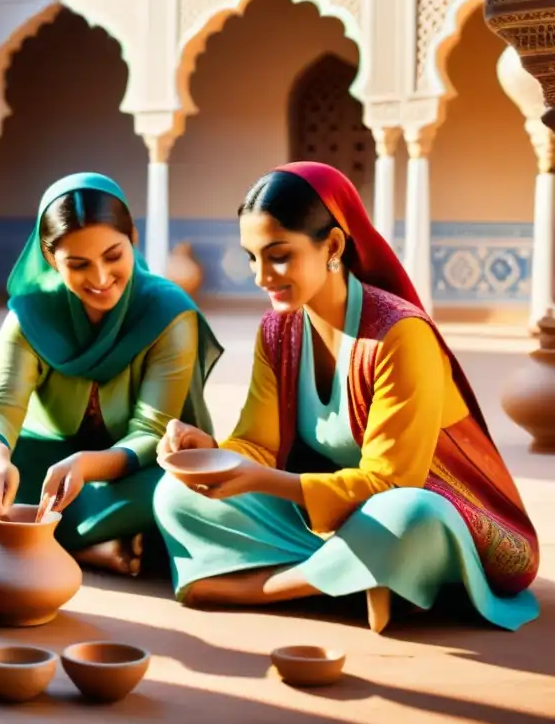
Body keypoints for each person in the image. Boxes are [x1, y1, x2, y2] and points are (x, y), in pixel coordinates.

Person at [152, 161, 540, 633]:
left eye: (278, 255)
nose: (261, 276)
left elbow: (392, 484)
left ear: (333, 245)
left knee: (408, 516)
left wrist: (262, 480)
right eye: (252, 257)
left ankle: (270, 587)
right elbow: (257, 446)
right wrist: (211, 452)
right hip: (331, 515)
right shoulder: (277, 330)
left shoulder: (401, 335)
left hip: (434, 517)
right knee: (174, 494)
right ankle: (356, 577)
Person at [0, 172, 223, 575]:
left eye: (113, 255)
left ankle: (7, 527)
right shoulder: (32, 314)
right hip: (47, 465)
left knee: (173, 491)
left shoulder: (168, 314)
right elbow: (1, 402)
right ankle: (92, 541)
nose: (99, 278)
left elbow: (151, 432)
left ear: (133, 236)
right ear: (49, 258)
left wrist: (86, 466)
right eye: (78, 264)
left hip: (126, 471)